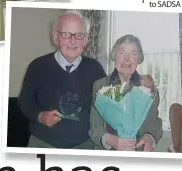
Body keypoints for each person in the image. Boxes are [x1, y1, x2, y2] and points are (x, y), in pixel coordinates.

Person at [18, 11, 107, 149]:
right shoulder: (37, 66)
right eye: (66, 34)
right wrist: (40, 116)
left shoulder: (95, 69)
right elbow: (25, 101)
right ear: (55, 37)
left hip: (85, 146)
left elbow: (109, 101)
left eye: (79, 35)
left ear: (85, 40)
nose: (73, 40)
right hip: (43, 145)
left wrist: (136, 83)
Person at [89, 34, 163, 151]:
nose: (127, 58)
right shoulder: (100, 86)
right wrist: (109, 139)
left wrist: (149, 137)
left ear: (139, 59)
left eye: (133, 54)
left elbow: (154, 121)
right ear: (114, 56)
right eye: (122, 52)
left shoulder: (147, 87)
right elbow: (94, 125)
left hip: (138, 153)